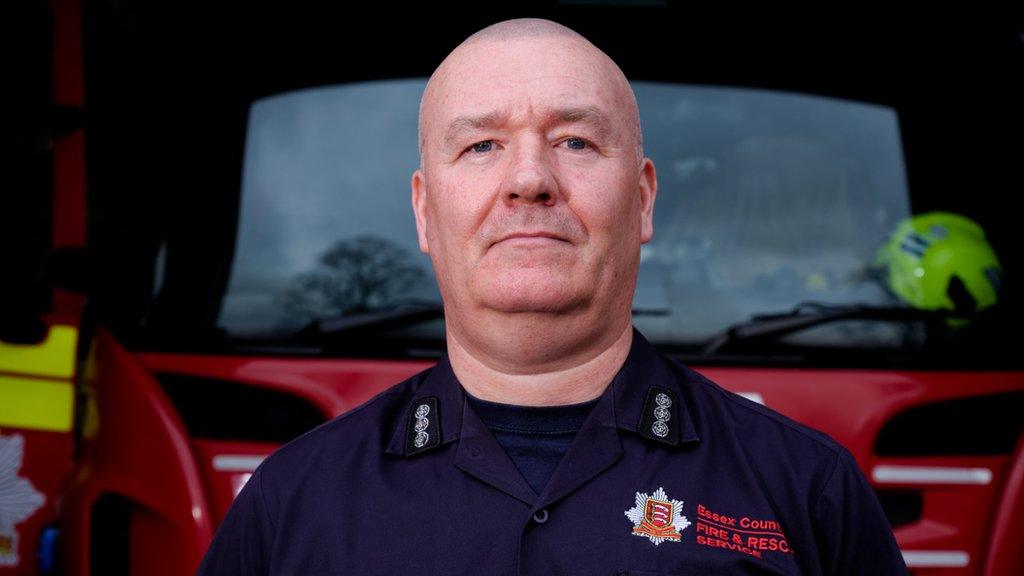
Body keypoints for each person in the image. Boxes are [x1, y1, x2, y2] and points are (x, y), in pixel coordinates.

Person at [197, 18, 908, 575]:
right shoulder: (292, 504)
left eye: (573, 141)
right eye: (481, 146)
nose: (529, 179)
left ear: (643, 198)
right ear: (423, 211)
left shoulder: (808, 493)